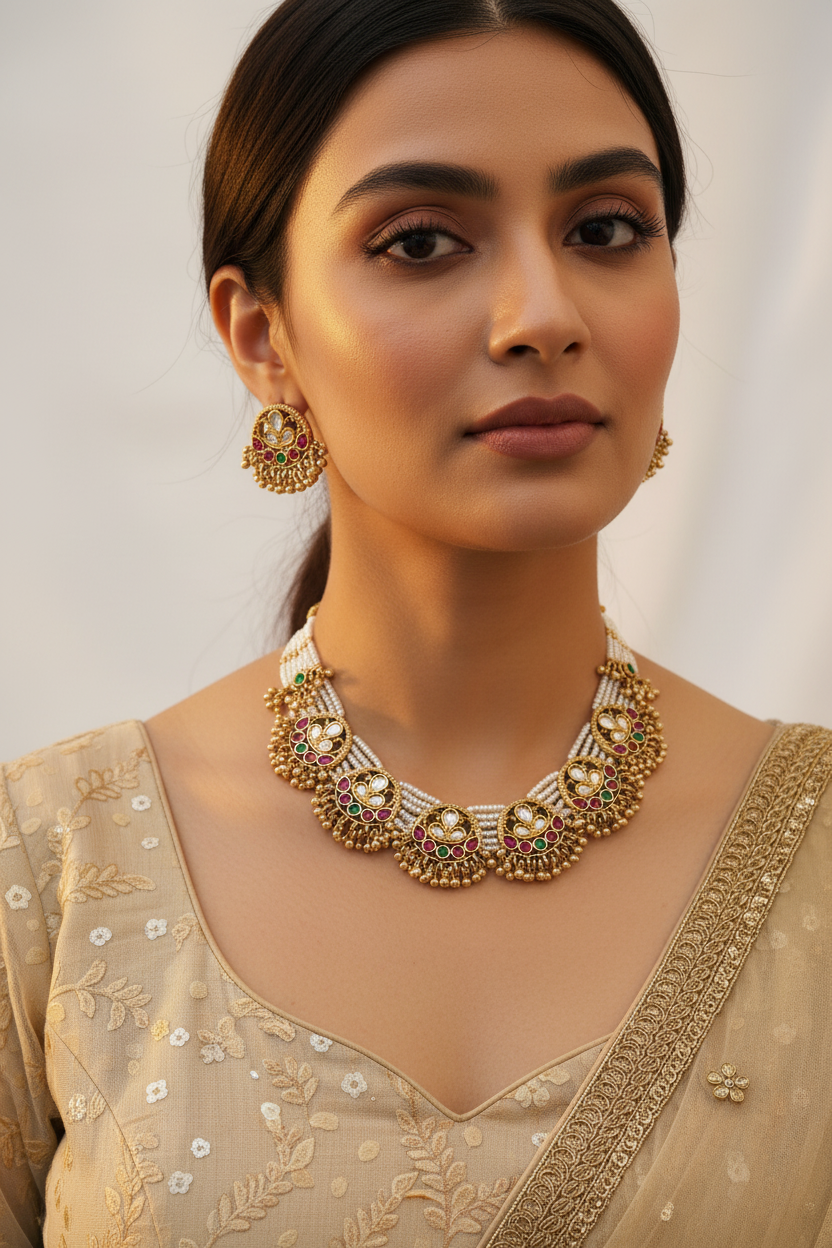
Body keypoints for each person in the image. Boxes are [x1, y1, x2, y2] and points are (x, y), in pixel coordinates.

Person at [1, 0, 829, 1243]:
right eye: (424, 242)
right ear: (262, 335)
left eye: (607, 228)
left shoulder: (811, 857)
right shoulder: (55, 875)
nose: (543, 315)